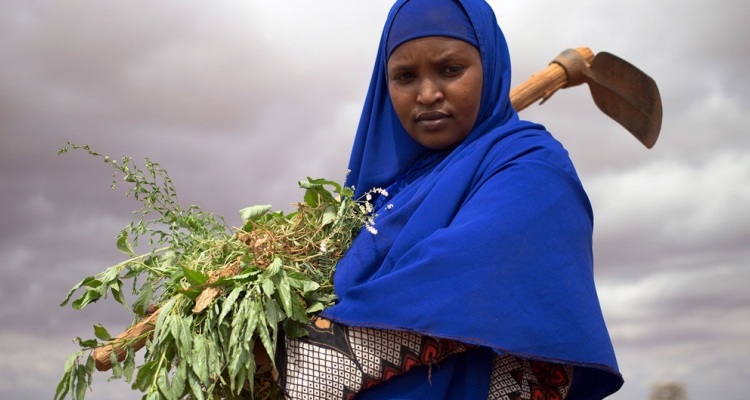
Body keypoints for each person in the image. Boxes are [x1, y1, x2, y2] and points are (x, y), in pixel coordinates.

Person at [268, 0, 624, 398]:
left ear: (488, 69)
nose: (428, 94)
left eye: (451, 70)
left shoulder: (533, 168)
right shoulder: (390, 196)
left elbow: (466, 270)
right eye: (404, 76)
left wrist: (306, 355)